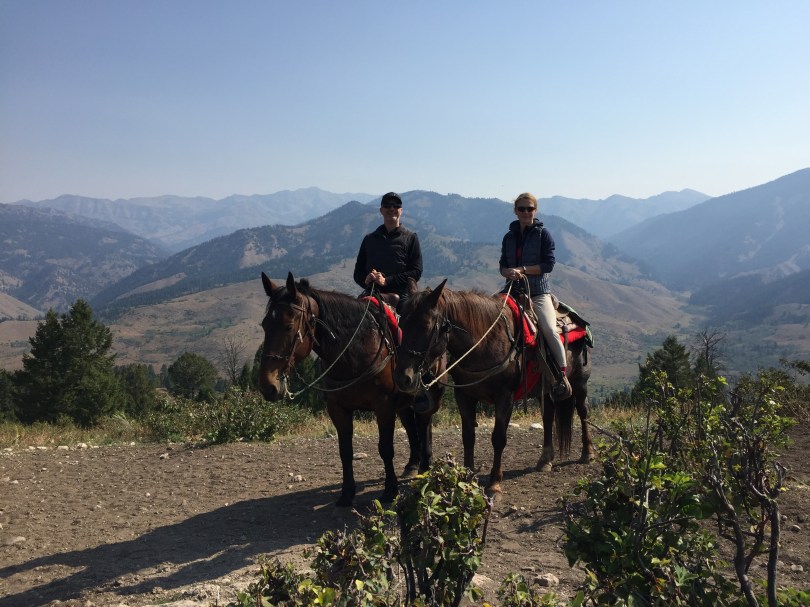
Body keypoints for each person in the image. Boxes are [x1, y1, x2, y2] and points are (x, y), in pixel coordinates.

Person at [499, 192, 572, 400]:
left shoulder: (543, 234)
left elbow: (548, 265)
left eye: (529, 208)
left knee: (549, 330)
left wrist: (522, 269)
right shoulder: (509, 237)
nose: (525, 212)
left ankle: (561, 376)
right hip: (511, 290)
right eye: (521, 209)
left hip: (538, 292)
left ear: (535, 211)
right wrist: (508, 272)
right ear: (515, 211)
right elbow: (502, 265)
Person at [353, 191, 423, 315]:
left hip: (401, 296)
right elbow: (358, 272)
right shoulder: (369, 239)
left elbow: (416, 272)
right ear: (381, 210)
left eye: (396, 206)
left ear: (401, 210)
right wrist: (366, 279)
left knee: (411, 327)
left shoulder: (411, 238)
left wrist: (387, 281)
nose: (392, 208)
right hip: (372, 293)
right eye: (387, 205)